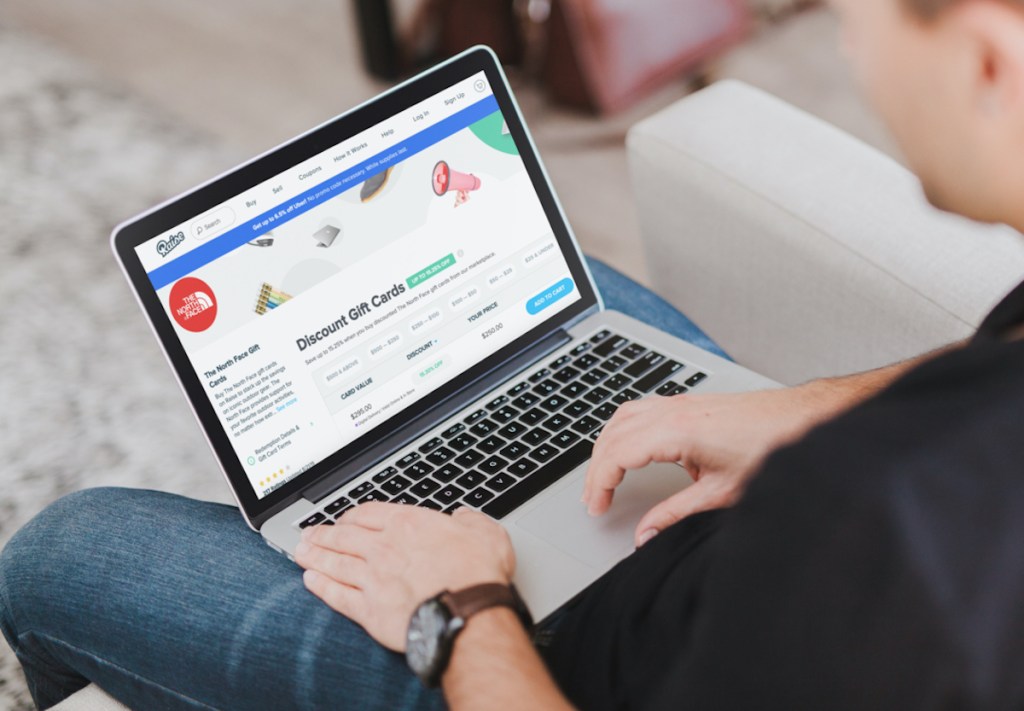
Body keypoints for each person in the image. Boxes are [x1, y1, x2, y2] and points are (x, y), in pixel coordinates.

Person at [4, 0, 1024, 707]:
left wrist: (461, 612)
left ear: (985, 59)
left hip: (552, 664)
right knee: (547, 311)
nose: (848, 53)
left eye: (854, 20)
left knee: (58, 554)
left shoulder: (898, 527)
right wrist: (799, 410)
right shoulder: (901, 494)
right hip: (728, 558)